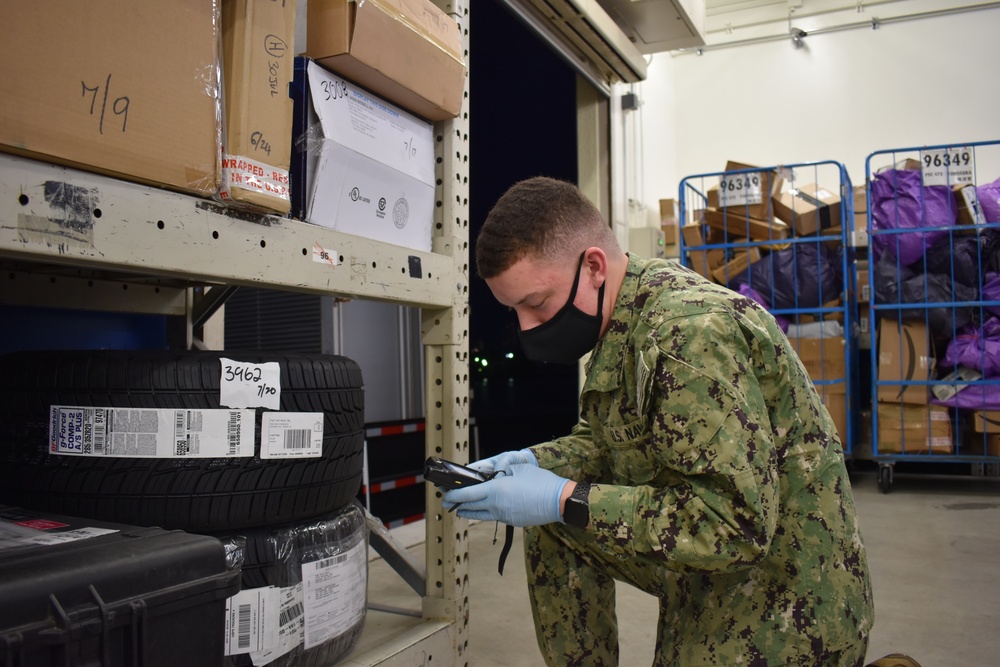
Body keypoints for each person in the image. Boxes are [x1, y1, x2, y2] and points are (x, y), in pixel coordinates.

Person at [444, 176, 874, 666]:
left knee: (564, 506)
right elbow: (604, 443)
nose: (526, 327)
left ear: (593, 267)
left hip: (788, 595)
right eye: (513, 311)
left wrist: (564, 497)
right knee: (554, 520)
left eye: (537, 303)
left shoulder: (686, 336)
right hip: (721, 558)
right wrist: (529, 464)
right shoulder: (623, 316)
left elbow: (732, 524)